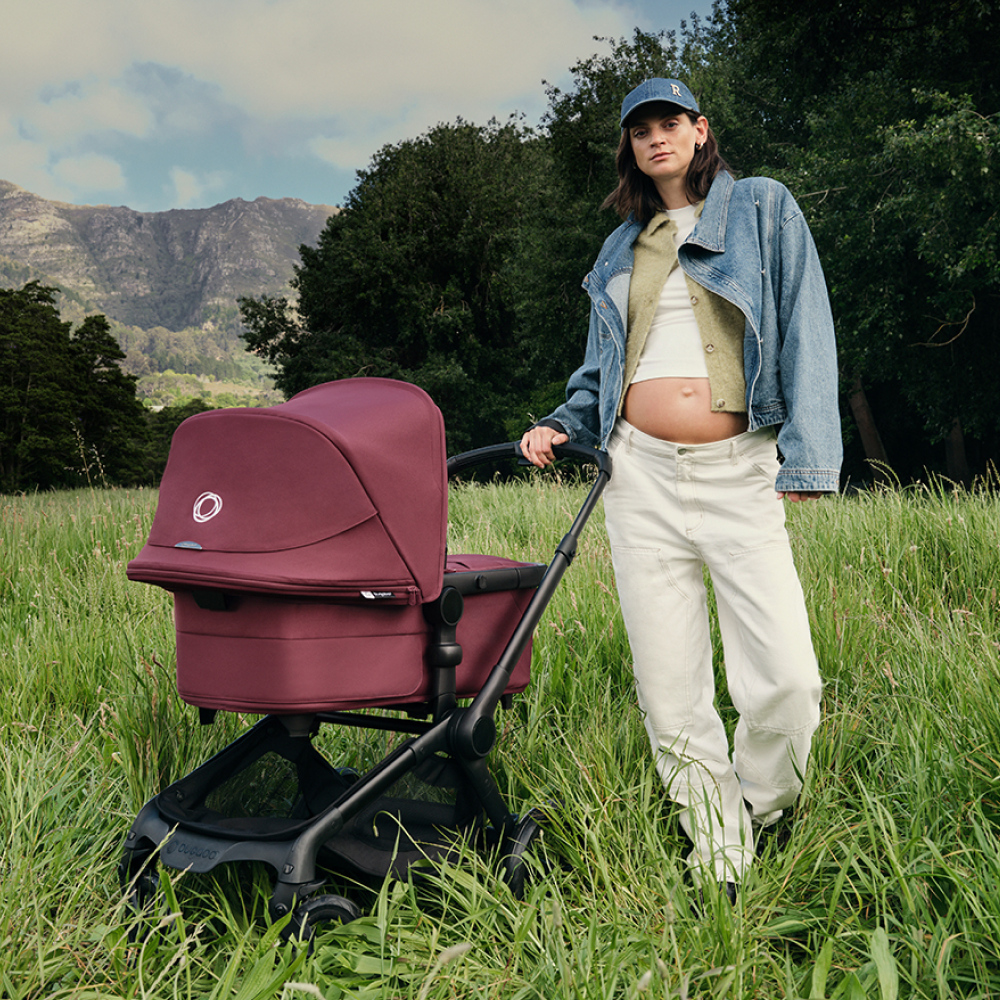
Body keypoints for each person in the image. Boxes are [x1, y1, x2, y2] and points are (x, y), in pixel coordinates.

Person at [520, 78, 842, 900]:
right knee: (670, 687)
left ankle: (760, 810)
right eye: (640, 130)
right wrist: (565, 422)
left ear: (701, 131)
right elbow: (604, 365)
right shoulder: (621, 246)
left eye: (671, 122)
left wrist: (808, 459)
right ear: (630, 148)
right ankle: (720, 851)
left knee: (789, 682)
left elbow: (807, 323)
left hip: (738, 472)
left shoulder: (763, 208)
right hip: (638, 475)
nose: (656, 138)